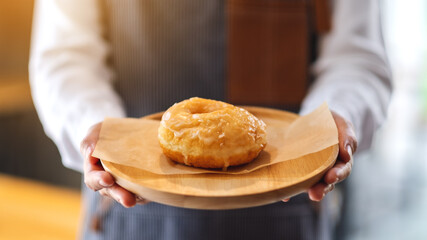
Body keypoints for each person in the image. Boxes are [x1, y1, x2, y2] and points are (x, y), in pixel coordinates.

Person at [29, 0, 392, 239]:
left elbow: (357, 57)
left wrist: (335, 119)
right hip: (129, 208)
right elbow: (64, 54)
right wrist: (93, 127)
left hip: (285, 209)